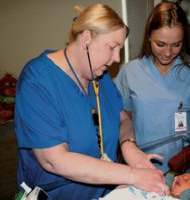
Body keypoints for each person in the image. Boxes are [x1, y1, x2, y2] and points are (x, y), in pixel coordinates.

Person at [14, 3, 169, 200]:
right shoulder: (37, 81)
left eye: (120, 49)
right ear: (86, 38)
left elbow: (124, 120)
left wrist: (128, 145)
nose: (116, 58)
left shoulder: (100, 77)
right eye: (112, 47)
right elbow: (54, 161)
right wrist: (132, 175)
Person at [114, 1, 190, 172]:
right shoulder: (130, 72)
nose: (168, 52)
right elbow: (124, 117)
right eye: (160, 44)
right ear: (149, 36)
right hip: (140, 165)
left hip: (180, 167)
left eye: (176, 45)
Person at [100, 173, 190, 200]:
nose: (182, 178)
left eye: (189, 181)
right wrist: (163, 182)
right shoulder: (159, 189)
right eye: (182, 176)